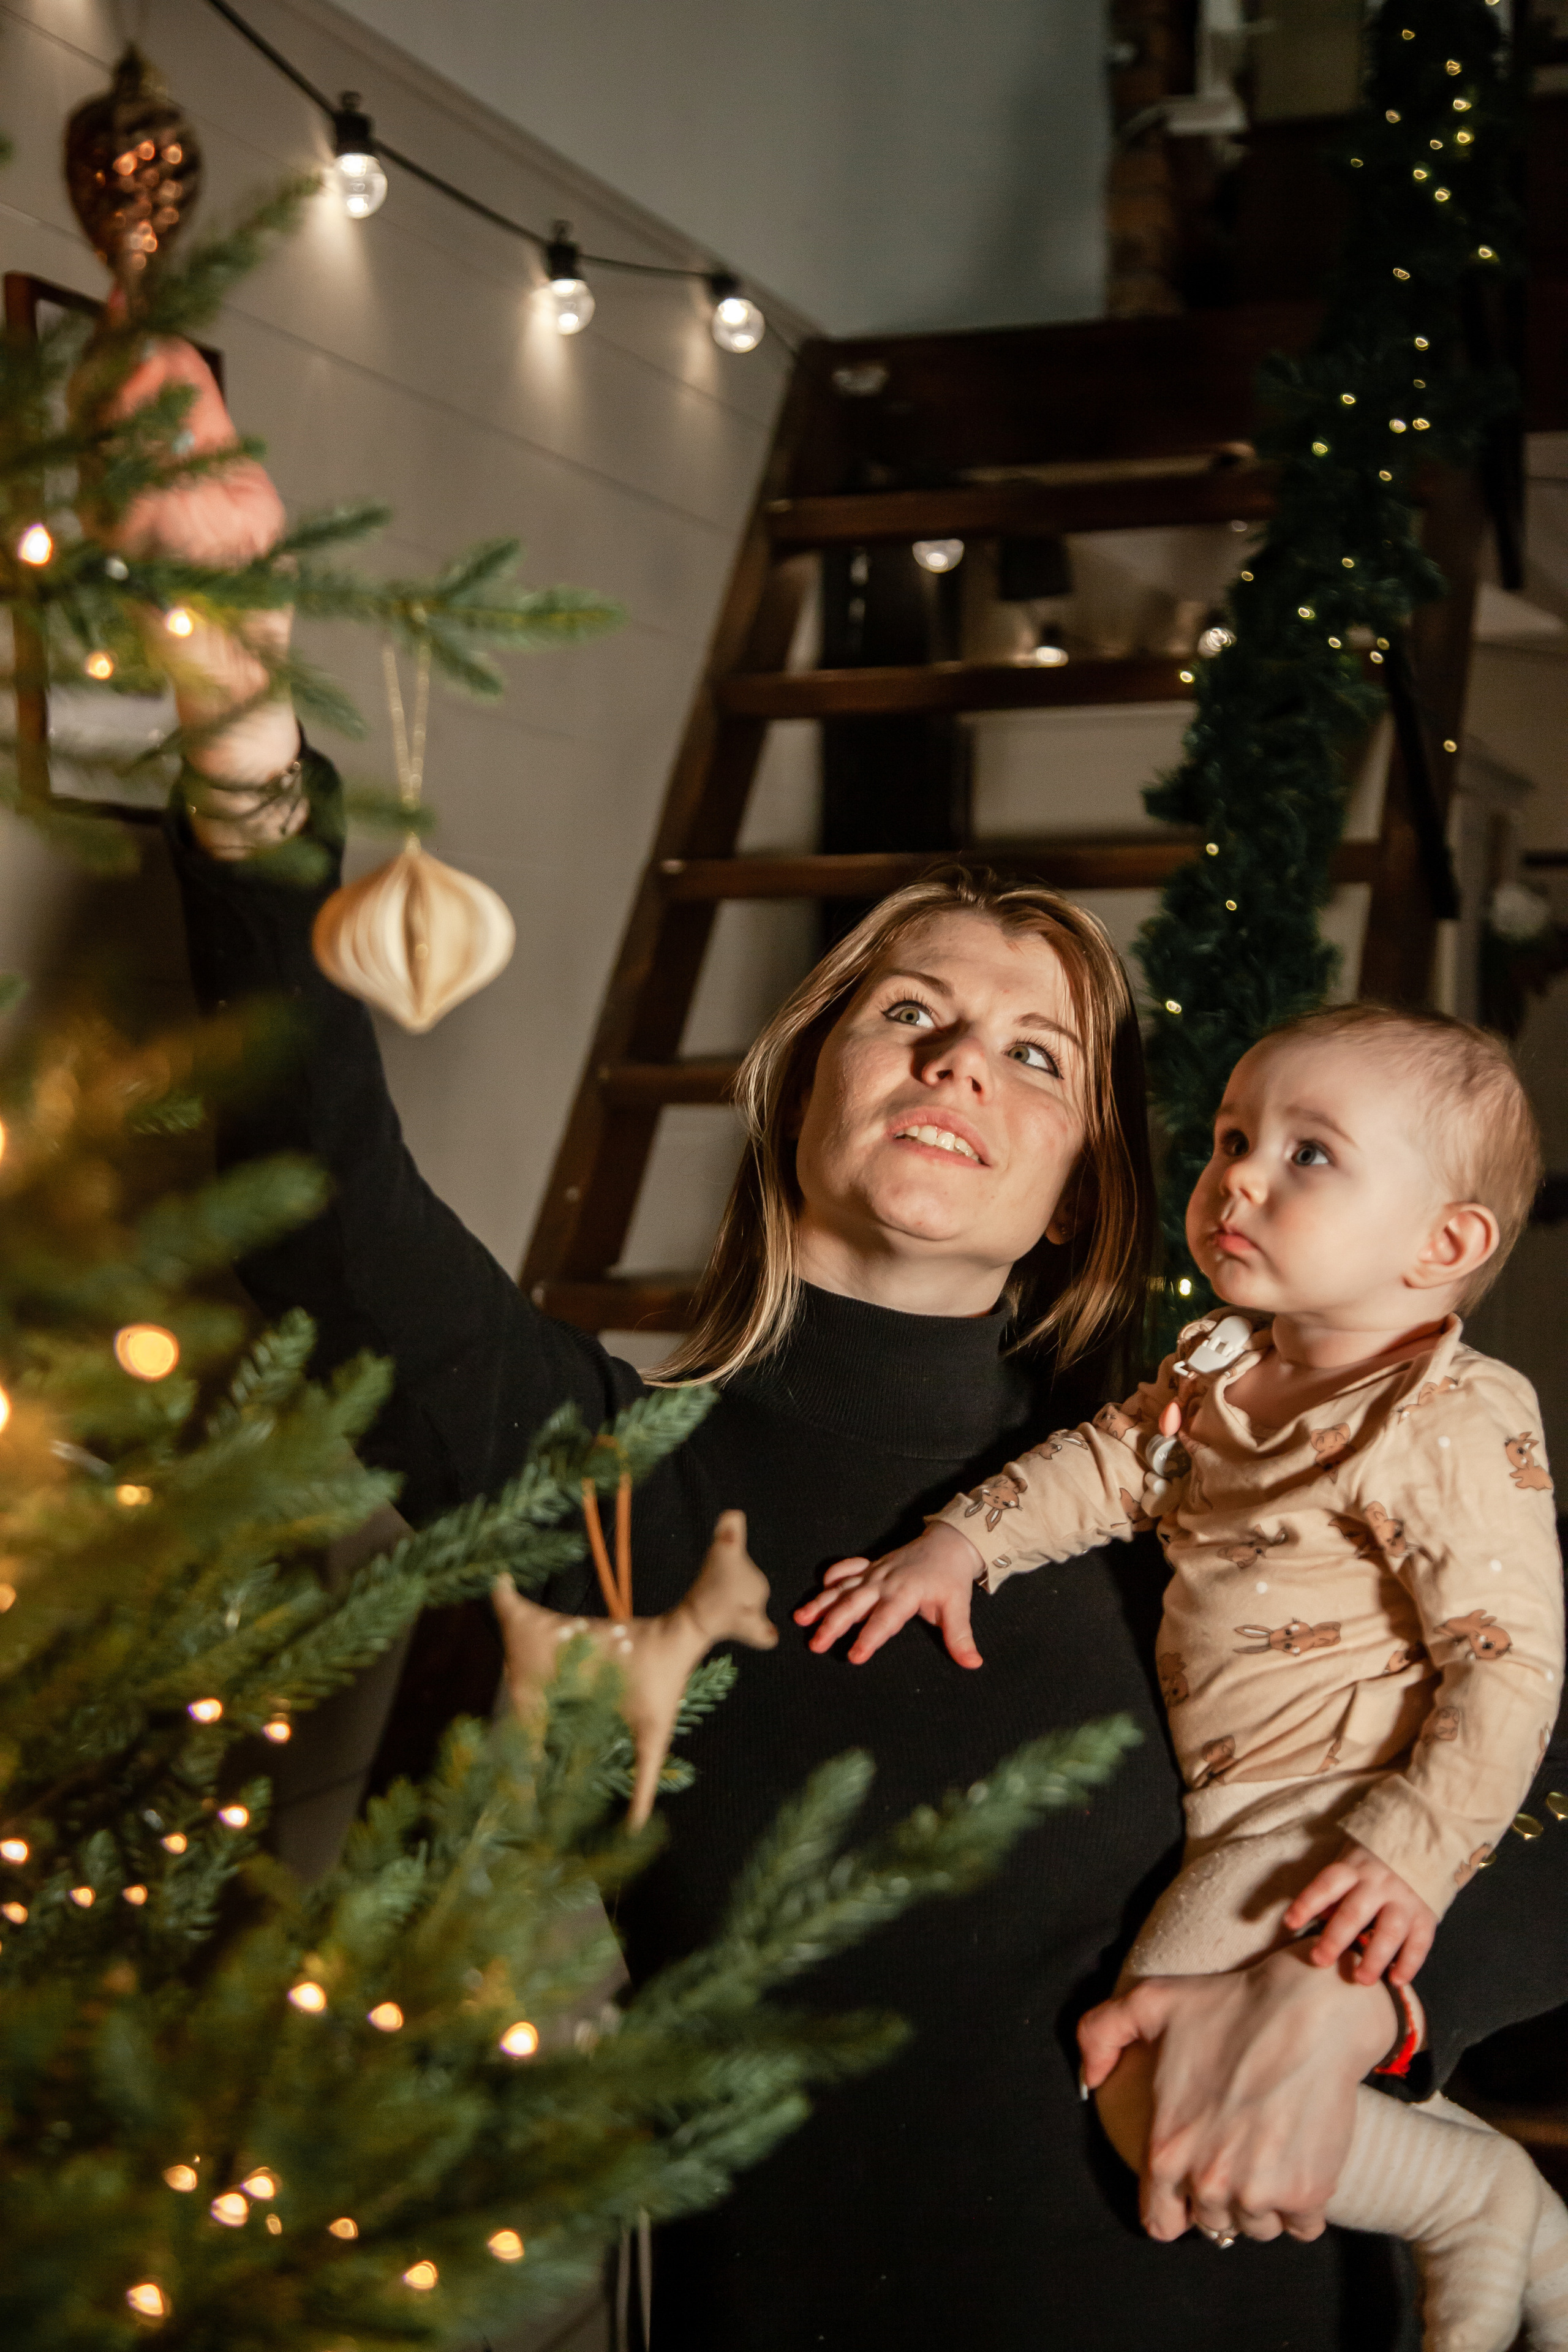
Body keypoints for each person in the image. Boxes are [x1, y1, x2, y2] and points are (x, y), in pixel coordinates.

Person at [127, 336, 1568, 2351]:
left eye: (1038, 1053)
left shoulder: (1198, 1456)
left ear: (1076, 1179)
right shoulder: (614, 1490)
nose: (965, 1060)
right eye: (913, 1013)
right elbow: (329, 1215)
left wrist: (1348, 2001)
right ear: (802, 1082)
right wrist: (238, 734)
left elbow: (1532, 1761)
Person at [797, 1005, 1568, 2349]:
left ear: (1443, 1246)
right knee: (1219, 2079)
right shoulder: (1224, 1373)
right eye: (1229, 1139)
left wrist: (1405, 1849)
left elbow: (1507, 1665)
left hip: (1334, 1818)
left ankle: (1473, 2202)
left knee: (1141, 2076)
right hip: (1245, 1809)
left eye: (1309, 1153)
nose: (1238, 1178)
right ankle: (1496, 2205)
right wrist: (963, 1542)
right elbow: (1106, 1467)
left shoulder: (1449, 1418)